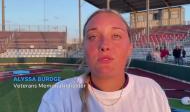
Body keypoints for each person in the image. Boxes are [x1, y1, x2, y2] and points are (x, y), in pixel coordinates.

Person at [38, 9, 170, 112]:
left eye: (116, 36)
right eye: (93, 36)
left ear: (130, 48)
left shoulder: (152, 90)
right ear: (84, 47)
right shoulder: (58, 96)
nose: (104, 45)